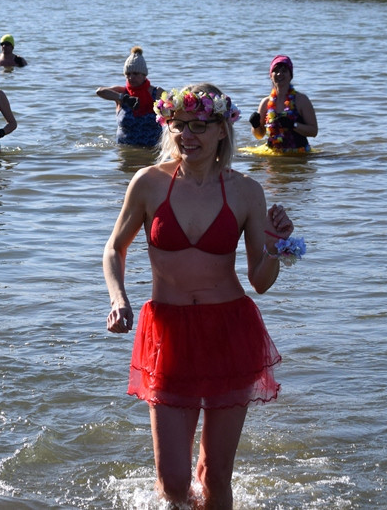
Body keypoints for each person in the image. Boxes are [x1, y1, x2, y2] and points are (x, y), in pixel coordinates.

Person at [103, 83, 293, 508]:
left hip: (229, 332)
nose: (186, 135)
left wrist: (275, 247)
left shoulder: (245, 191)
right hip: (168, 333)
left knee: (215, 476)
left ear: (222, 129)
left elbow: (260, 281)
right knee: (173, 482)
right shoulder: (148, 183)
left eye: (199, 126)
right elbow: (114, 249)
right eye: (179, 124)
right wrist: (119, 299)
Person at [95, 46, 163, 147]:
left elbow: (175, 105)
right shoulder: (122, 92)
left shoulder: (156, 93)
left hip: (152, 150)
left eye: (135, 74)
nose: (131, 77)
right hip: (125, 150)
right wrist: (123, 98)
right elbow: (100, 91)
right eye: (128, 74)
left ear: (144, 75)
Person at [249, 55, 318, 154]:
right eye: (276, 71)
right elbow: (259, 135)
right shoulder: (265, 102)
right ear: (271, 75)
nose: (279, 74)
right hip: (272, 152)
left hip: (298, 154)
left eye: (284, 71)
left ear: (291, 76)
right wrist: (255, 125)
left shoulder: (301, 100)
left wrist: (293, 125)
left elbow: (313, 131)